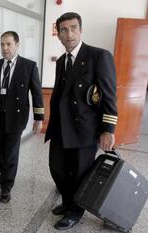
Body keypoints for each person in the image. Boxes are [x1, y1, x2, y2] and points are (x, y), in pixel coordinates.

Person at [45, 12, 117, 230]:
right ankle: (68, 202)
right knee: (57, 168)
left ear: (81, 30)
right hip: (60, 128)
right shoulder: (61, 62)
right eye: (64, 30)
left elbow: (109, 95)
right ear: (58, 35)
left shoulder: (98, 56)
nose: (69, 34)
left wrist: (108, 129)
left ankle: (74, 211)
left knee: (78, 174)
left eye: (73, 28)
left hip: (84, 129)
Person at [0, 31, 44, 203]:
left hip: (16, 118)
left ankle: (7, 187)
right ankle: (3, 175)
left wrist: (39, 118)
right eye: (2, 44)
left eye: (8, 44)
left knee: (11, 153)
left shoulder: (29, 66)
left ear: (17, 44)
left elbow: (37, 93)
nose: (5, 48)